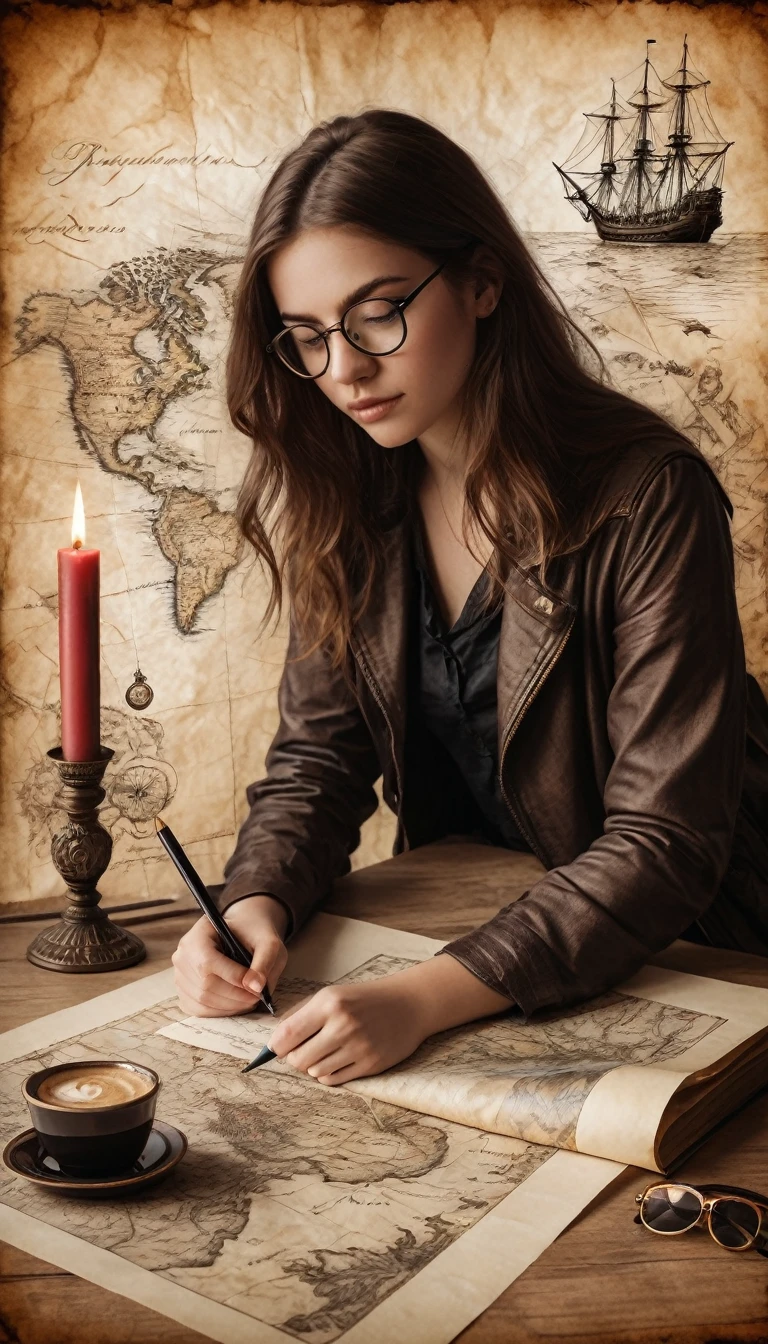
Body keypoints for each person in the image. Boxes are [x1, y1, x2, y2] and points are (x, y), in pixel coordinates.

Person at [172, 108, 768, 1088]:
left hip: (691, 955)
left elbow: (666, 842)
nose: (346, 370)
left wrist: (421, 997)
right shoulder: (351, 491)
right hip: (464, 936)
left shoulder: (648, 495)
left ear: (483, 282)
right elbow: (318, 759)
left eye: (378, 313)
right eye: (308, 336)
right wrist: (250, 910)